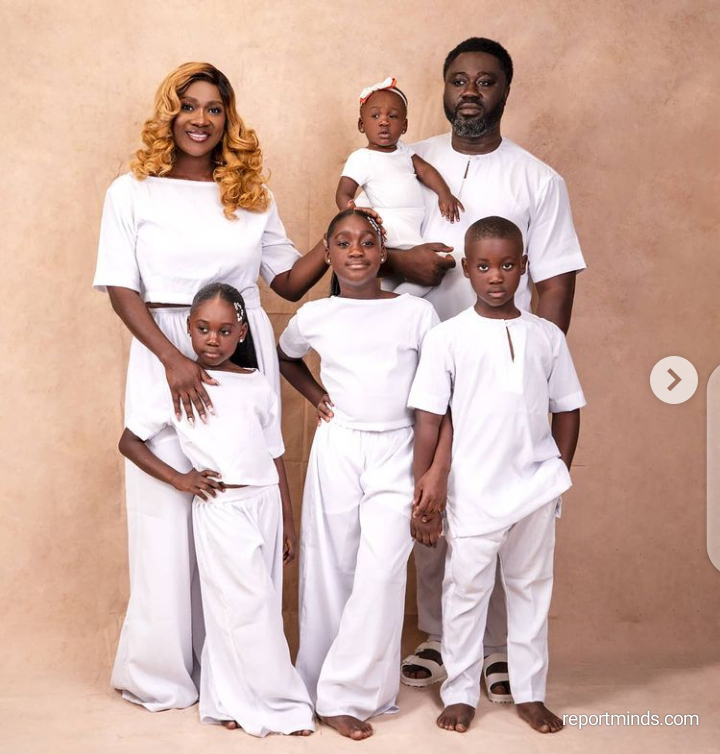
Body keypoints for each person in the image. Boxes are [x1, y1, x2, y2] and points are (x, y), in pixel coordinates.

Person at [93, 62, 331, 711]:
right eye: (188, 105)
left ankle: (236, 672)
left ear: (229, 119)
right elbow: (121, 287)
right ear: (168, 112)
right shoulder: (132, 191)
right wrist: (172, 358)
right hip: (163, 351)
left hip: (239, 353)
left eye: (214, 108)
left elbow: (286, 282)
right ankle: (162, 673)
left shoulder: (250, 193)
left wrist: (340, 234)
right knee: (166, 512)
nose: (200, 119)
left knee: (233, 499)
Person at [399, 37, 587, 698]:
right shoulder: (408, 162)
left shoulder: (538, 179)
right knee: (431, 488)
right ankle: (437, 633)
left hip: (503, 368)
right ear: (443, 88)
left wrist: (534, 372)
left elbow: (555, 280)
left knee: (505, 500)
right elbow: (364, 241)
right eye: (459, 80)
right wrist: (401, 261)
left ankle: (500, 647)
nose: (470, 92)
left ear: (505, 90)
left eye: (485, 81)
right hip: (420, 353)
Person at [409, 216, 585, 734]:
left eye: (507, 265)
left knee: (531, 589)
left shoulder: (546, 336)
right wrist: (424, 492)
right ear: (466, 269)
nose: (496, 276)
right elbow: (429, 419)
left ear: (524, 267)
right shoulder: (448, 338)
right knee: (465, 591)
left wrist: (557, 471)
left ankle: (530, 693)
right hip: (473, 490)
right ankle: (461, 692)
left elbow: (567, 408)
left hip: (534, 488)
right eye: (484, 266)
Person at [117, 284, 314, 736]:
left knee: (251, 607)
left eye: (225, 331)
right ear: (188, 329)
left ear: (241, 333)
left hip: (264, 503)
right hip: (221, 507)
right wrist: (179, 479)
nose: (213, 339)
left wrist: (287, 518)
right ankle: (280, 703)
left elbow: (275, 453)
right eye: (203, 328)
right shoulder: (178, 384)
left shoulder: (257, 383)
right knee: (245, 606)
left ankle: (227, 698)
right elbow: (129, 441)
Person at [277, 209, 439, 740]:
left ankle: (348, 693)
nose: (356, 251)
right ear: (327, 253)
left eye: (367, 242)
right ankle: (318, 681)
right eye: (343, 242)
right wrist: (317, 396)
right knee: (330, 569)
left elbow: (440, 393)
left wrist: (432, 470)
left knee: (382, 573)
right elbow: (285, 357)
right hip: (339, 446)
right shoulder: (316, 315)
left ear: (383, 251)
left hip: (399, 447)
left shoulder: (415, 313)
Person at [335, 78, 463, 297]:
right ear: (361, 125)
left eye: (392, 116)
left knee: (392, 280)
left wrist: (444, 193)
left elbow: (425, 171)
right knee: (430, 269)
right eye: (375, 116)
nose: (384, 122)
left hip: (410, 224)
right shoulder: (362, 158)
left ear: (404, 126)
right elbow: (343, 192)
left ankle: (388, 304)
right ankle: (398, 302)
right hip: (391, 225)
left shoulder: (403, 151)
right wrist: (352, 213)